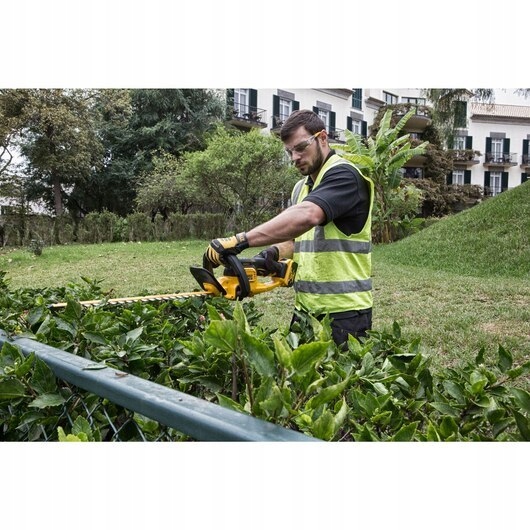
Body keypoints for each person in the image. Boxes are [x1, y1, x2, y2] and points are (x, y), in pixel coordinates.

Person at [205, 109, 374, 347]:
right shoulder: (301, 188)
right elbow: (299, 239)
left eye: (301, 147)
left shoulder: (345, 176)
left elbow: (308, 216)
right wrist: (273, 253)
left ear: (322, 138)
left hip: (345, 312)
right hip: (305, 308)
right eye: (289, 151)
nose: (294, 157)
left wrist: (240, 240)